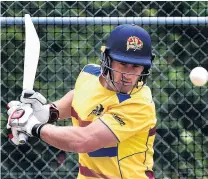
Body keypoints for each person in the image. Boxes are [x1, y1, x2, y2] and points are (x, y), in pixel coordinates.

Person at [7, 24, 157, 179]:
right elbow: (78, 96)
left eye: (135, 66)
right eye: (122, 63)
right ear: (107, 59)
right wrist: (48, 112)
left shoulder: (139, 105)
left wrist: (33, 126)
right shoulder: (89, 74)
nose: (127, 74)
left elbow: (84, 140)